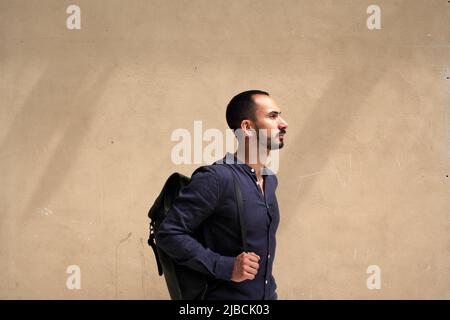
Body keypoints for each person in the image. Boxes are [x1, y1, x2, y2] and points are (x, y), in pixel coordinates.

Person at [156, 90, 288, 300]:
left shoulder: (270, 179)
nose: (283, 123)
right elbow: (168, 234)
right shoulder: (216, 178)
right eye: (272, 116)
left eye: (280, 115)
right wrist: (227, 267)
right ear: (247, 127)